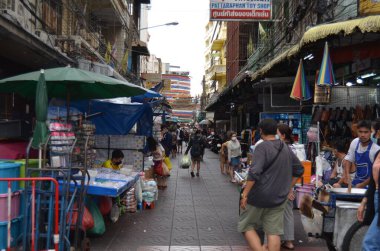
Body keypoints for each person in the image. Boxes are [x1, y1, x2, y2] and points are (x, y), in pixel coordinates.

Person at [238, 119, 304, 251]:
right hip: (279, 197)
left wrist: (245, 194)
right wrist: (288, 187)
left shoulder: (262, 147)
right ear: (275, 131)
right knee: (273, 231)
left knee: (246, 225)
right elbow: (299, 169)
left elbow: (254, 172)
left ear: (261, 131)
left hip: (259, 196)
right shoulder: (284, 146)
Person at [344, 120, 380, 188]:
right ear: (357, 131)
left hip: (370, 184)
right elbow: (348, 160)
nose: (363, 135)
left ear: (370, 132)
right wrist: (347, 176)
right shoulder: (354, 142)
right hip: (356, 181)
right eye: (360, 132)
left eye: (366, 132)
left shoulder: (376, 149)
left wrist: (362, 184)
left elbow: (376, 173)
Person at [277, 123, 296, 250]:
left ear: (283, 135)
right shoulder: (295, 148)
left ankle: (276, 241)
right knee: (288, 213)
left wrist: (288, 188)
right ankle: (288, 241)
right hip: (289, 184)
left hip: (281, 185)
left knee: (275, 214)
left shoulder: (282, 149)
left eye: (276, 133)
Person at [357, 146, 380, 250]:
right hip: (376, 196)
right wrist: (364, 202)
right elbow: (372, 182)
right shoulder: (378, 153)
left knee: (370, 244)